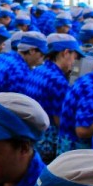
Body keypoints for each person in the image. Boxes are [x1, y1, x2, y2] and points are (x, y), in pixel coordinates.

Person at [23, 34, 82, 162]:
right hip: (47, 143)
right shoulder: (58, 81)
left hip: (32, 135)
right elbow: (60, 121)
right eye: (74, 58)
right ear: (66, 53)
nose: (73, 63)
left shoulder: (37, 71)